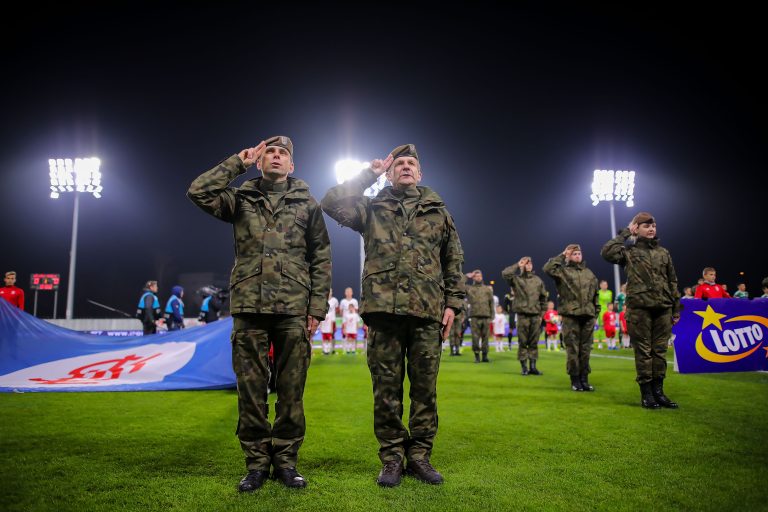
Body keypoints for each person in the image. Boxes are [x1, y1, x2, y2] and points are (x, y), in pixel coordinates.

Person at [187, 136, 331, 491]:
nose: (277, 157)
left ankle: (286, 463)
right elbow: (199, 192)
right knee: (250, 391)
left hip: (293, 308)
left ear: (292, 165)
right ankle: (255, 465)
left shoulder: (307, 204)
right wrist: (237, 161)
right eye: (270, 152)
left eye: (283, 154)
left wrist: (317, 306)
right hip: (250, 306)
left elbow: (321, 256)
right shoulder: (241, 198)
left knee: (290, 391)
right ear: (259, 161)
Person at [321, 143, 464, 487]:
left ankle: (420, 456)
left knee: (425, 390)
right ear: (388, 172)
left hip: (427, 311)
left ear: (420, 172)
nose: (405, 167)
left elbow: (453, 261)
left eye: (411, 163)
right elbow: (330, 202)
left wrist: (453, 304)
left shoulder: (438, 211)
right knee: (386, 390)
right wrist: (366, 175)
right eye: (398, 163)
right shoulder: (371, 207)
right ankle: (392, 458)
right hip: (384, 311)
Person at [601, 211, 681, 409]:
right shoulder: (628, 252)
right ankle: (646, 394)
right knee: (644, 352)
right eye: (646, 226)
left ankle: (659, 392)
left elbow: (672, 281)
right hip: (639, 309)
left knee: (660, 352)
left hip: (663, 308)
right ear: (637, 228)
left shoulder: (664, 253)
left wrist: (675, 308)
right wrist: (627, 233)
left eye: (653, 225)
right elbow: (607, 252)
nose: (652, 229)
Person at [542, 244, 599, 391]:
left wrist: (595, 313)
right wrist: (562, 255)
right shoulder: (562, 271)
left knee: (585, 349)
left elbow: (595, 295)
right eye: (574, 253)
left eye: (579, 253)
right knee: (573, 349)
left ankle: (584, 379)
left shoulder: (589, 273)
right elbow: (547, 268)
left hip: (588, 315)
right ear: (569, 256)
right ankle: (575, 380)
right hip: (570, 315)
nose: (577, 256)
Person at [502, 257, 548, 376]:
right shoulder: (516, 280)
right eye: (526, 263)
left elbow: (544, 298)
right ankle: (524, 367)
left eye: (530, 263)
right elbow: (505, 274)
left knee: (534, 342)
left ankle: (533, 367)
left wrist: (542, 314)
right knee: (523, 342)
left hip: (535, 315)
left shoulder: (538, 280)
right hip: (522, 315)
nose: (528, 265)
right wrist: (517, 265)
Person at [465, 269, 494, 363]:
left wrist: (492, 316)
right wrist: (467, 276)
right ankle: (477, 355)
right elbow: (458, 284)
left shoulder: (487, 289)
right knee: (475, 337)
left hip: (486, 316)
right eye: (476, 276)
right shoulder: (469, 288)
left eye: (480, 276)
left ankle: (485, 355)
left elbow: (491, 303)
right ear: (473, 278)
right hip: (474, 316)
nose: (478, 277)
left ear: (482, 277)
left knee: (486, 337)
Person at [595, 280, 613, 348]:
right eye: (604, 285)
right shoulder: (598, 292)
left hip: (608, 312)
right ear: (600, 285)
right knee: (601, 327)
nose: (605, 286)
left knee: (609, 328)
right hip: (601, 312)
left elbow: (610, 302)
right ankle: (600, 342)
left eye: (606, 285)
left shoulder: (610, 292)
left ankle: (610, 342)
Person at [321, 289, 339, 355]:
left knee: (332, 335)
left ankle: (332, 349)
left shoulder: (334, 300)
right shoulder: (323, 300)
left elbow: (337, 309)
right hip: (325, 321)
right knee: (324, 336)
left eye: (330, 291)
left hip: (332, 320)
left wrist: (332, 316)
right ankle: (324, 350)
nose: (329, 292)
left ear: (332, 292)